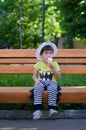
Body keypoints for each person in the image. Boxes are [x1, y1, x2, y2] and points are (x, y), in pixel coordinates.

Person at [32, 42, 61, 119]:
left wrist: (52, 68)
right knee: (37, 89)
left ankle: (51, 109)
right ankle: (38, 110)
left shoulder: (55, 64)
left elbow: (58, 76)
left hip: (52, 82)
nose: (49, 55)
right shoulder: (38, 64)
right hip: (41, 82)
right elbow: (34, 76)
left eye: (51, 53)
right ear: (41, 55)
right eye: (46, 53)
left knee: (52, 89)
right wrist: (36, 81)